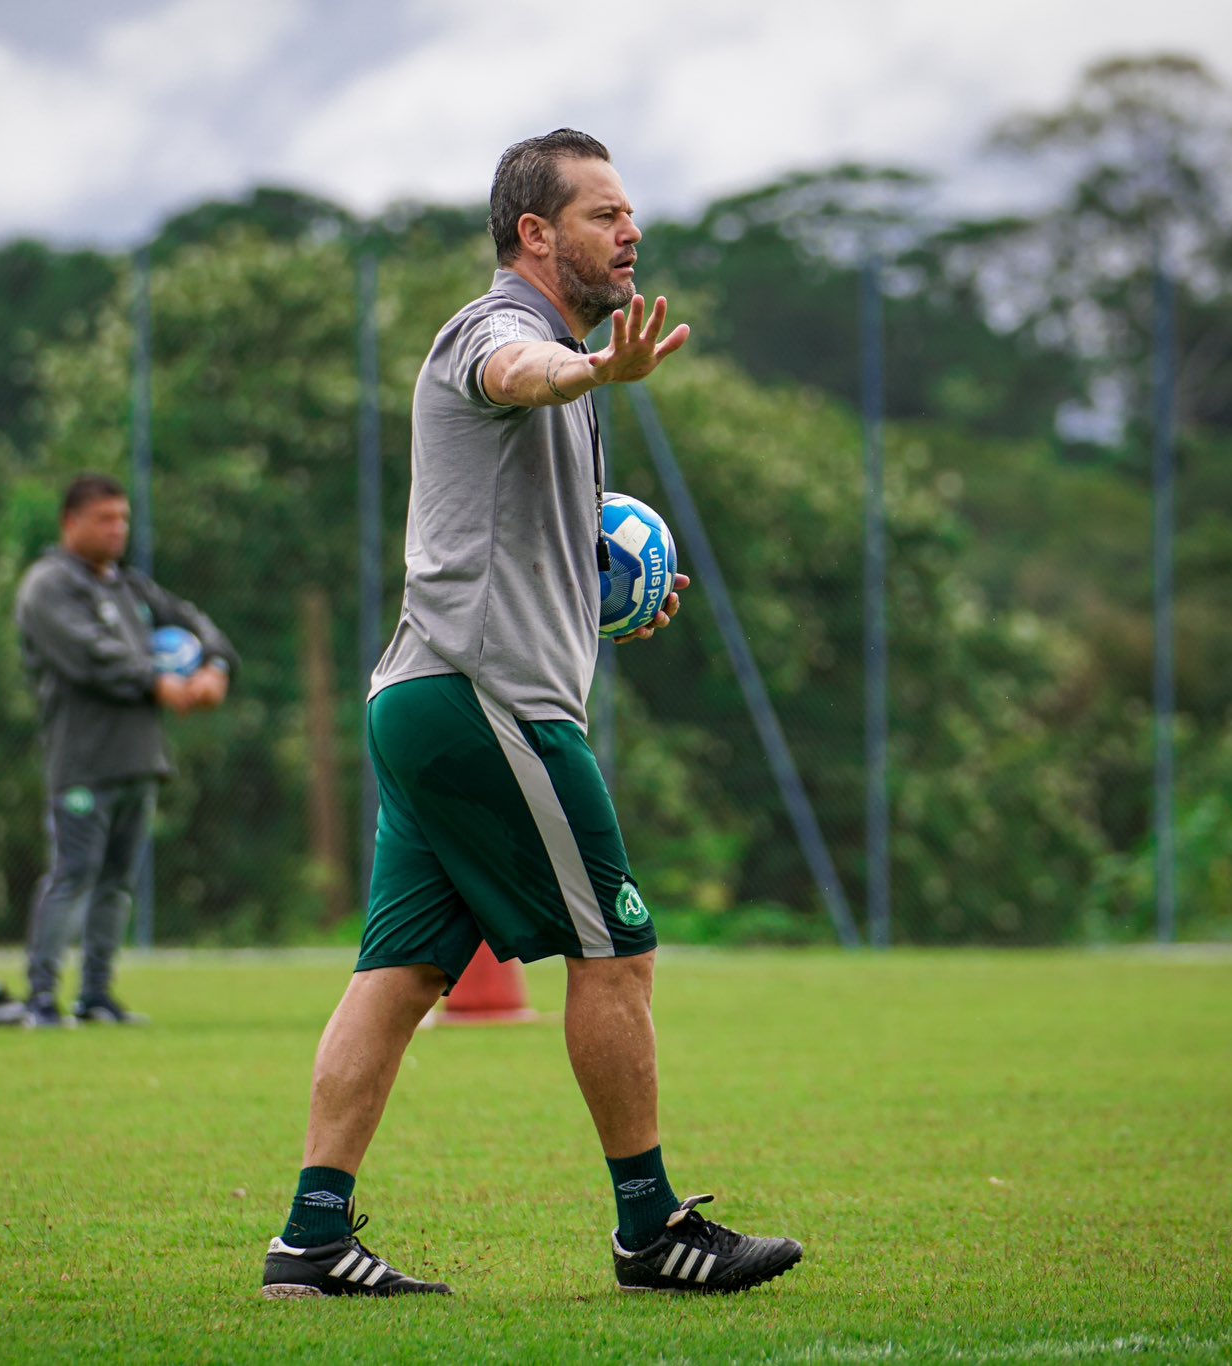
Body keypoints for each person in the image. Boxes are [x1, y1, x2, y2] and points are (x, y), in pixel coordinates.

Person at [260, 129, 803, 1300]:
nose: (630, 233)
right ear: (534, 235)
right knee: (617, 947)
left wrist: (607, 589)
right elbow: (513, 371)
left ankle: (309, 1239)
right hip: (488, 703)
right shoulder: (497, 330)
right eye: (605, 215)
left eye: (629, 214)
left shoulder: (567, 355)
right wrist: (593, 372)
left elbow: (519, 517)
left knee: (401, 974)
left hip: (423, 698)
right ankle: (651, 1230)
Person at [14, 473, 237, 1029]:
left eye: (123, 518)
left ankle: (96, 997)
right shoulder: (48, 587)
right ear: (70, 523)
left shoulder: (129, 586)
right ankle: (41, 1000)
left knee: (116, 881)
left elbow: (195, 622)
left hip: (139, 761)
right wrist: (157, 683)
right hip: (83, 762)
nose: (118, 530)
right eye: (104, 519)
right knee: (75, 873)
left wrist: (214, 666)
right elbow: (90, 655)